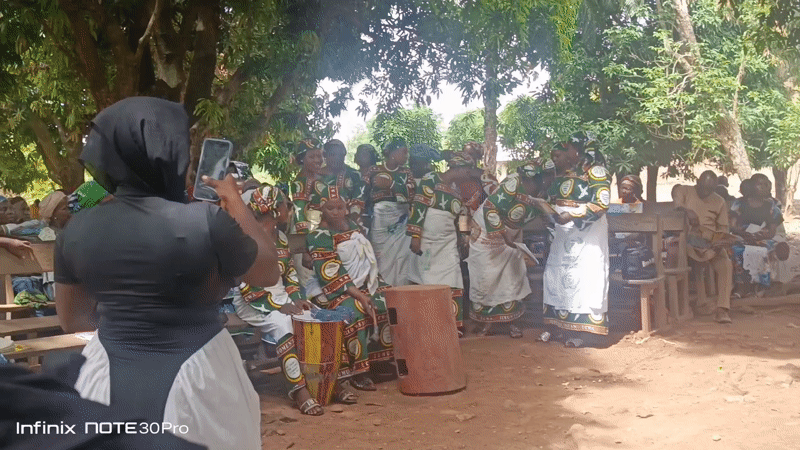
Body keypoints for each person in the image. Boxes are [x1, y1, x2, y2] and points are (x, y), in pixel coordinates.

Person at [54, 97, 280, 450]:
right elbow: (267, 271)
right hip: (202, 377)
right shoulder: (204, 220)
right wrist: (233, 199)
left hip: (104, 377)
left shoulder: (76, 229)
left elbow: (73, 320)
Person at [232, 185, 355, 415]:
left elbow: (288, 274)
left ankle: (334, 383)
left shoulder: (279, 237)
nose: (289, 210)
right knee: (284, 326)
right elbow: (247, 287)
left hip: (282, 297)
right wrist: (280, 306)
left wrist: (298, 299)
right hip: (254, 302)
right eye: (285, 206)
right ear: (276, 210)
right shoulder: (245, 240)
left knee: (319, 320)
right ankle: (300, 392)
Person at [307, 190, 394, 391]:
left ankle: (379, 361)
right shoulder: (318, 236)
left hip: (363, 283)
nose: (337, 212)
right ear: (321, 209)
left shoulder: (353, 226)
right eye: (330, 208)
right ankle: (359, 372)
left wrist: (374, 284)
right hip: (332, 290)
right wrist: (361, 295)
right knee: (354, 310)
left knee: (389, 299)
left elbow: (366, 262)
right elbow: (331, 274)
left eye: (340, 207)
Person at [543, 134, 612, 348]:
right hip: (563, 235)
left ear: (575, 151)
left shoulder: (596, 172)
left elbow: (602, 202)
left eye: (559, 154)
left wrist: (573, 215)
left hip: (588, 235)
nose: (555, 159)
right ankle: (560, 328)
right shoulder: (561, 176)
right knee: (557, 275)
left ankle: (587, 333)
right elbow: (550, 201)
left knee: (587, 278)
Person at [467, 160, 548, 338]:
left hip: (511, 234)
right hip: (488, 230)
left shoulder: (543, 193)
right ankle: (485, 322)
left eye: (533, 181)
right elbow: (490, 207)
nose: (529, 184)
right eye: (527, 179)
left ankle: (512, 322)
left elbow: (544, 215)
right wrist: (504, 236)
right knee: (486, 275)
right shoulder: (513, 183)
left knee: (513, 274)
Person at [406, 153, 466, 331]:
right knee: (426, 279)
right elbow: (419, 207)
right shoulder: (431, 178)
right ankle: (427, 323)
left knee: (453, 276)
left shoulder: (457, 189)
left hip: (448, 241)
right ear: (457, 168)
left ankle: (452, 325)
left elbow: (460, 216)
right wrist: (416, 236)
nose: (468, 175)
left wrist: (462, 236)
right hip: (428, 239)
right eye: (466, 171)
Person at [672, 170, 734, 323]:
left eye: (710, 190)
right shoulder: (684, 191)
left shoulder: (719, 201)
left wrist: (720, 241)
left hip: (709, 242)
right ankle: (687, 303)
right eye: (703, 187)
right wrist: (687, 211)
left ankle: (722, 309)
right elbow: (676, 207)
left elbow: (722, 228)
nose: (705, 192)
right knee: (683, 256)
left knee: (726, 264)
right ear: (697, 182)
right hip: (686, 239)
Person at [364, 138, 416, 286]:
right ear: (392, 153)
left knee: (402, 257)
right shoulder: (374, 170)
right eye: (403, 152)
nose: (407, 156)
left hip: (401, 218)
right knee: (380, 256)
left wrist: (391, 185)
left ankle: (400, 292)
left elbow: (412, 193)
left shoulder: (406, 172)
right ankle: (381, 292)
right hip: (380, 219)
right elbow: (363, 193)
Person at [729, 174, 789, 294]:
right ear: (751, 186)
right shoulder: (739, 204)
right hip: (742, 236)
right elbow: (732, 226)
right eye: (759, 184)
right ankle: (742, 286)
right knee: (736, 249)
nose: (763, 187)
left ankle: (763, 286)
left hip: (764, 238)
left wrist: (758, 237)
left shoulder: (772, 207)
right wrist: (745, 235)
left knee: (765, 249)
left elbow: (772, 231)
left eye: (766, 184)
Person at [321, 139, 367, 225]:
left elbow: (358, 200)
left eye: (340, 155)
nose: (337, 158)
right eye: (332, 155)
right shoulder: (317, 175)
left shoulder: (355, 175)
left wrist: (352, 220)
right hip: (321, 222)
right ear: (325, 156)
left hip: (349, 220)